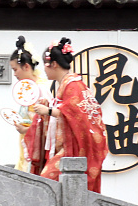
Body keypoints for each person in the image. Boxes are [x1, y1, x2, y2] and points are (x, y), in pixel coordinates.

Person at [28, 37, 108, 192]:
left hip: (73, 148)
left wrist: (49, 111)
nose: (44, 69)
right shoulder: (67, 84)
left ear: (54, 64)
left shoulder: (73, 85)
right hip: (65, 148)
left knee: (45, 185)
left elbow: (74, 111)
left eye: (45, 65)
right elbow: (67, 108)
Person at [9, 36, 47, 173]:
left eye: (15, 69)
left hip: (36, 145)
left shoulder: (42, 89)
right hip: (26, 140)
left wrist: (27, 130)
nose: (14, 74)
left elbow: (48, 122)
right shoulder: (28, 88)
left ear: (26, 66)